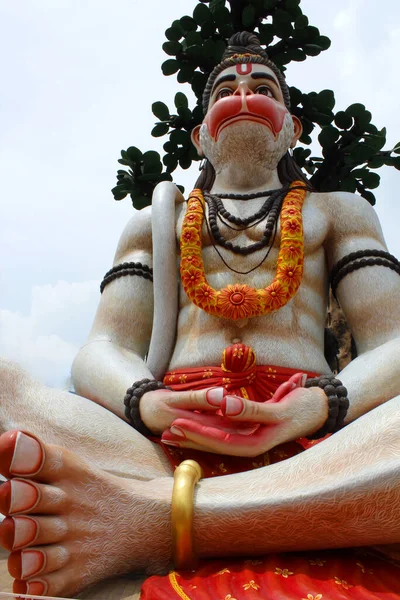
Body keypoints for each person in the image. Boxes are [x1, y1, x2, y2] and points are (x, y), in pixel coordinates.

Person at [0, 32, 400, 598]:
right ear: (199, 136)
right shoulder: (155, 222)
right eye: (225, 90)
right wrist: (147, 402)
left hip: (315, 443)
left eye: (263, 88)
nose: (243, 95)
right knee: (5, 387)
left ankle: (153, 520)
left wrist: (318, 406)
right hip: (170, 441)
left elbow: (395, 343)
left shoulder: (337, 213)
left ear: (292, 128)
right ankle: (266, 513)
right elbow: (101, 349)